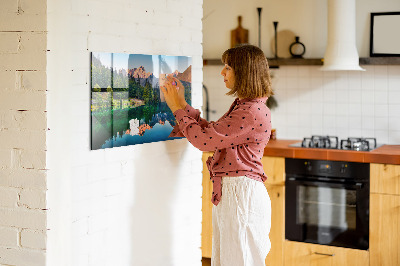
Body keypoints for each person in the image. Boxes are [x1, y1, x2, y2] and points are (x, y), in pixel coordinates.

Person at [161, 44, 273, 266]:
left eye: (228, 67)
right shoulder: (246, 106)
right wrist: (182, 104)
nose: (222, 72)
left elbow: (204, 141)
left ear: (244, 72)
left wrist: (176, 108)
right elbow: (212, 133)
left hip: (241, 195)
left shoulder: (250, 111)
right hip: (236, 193)